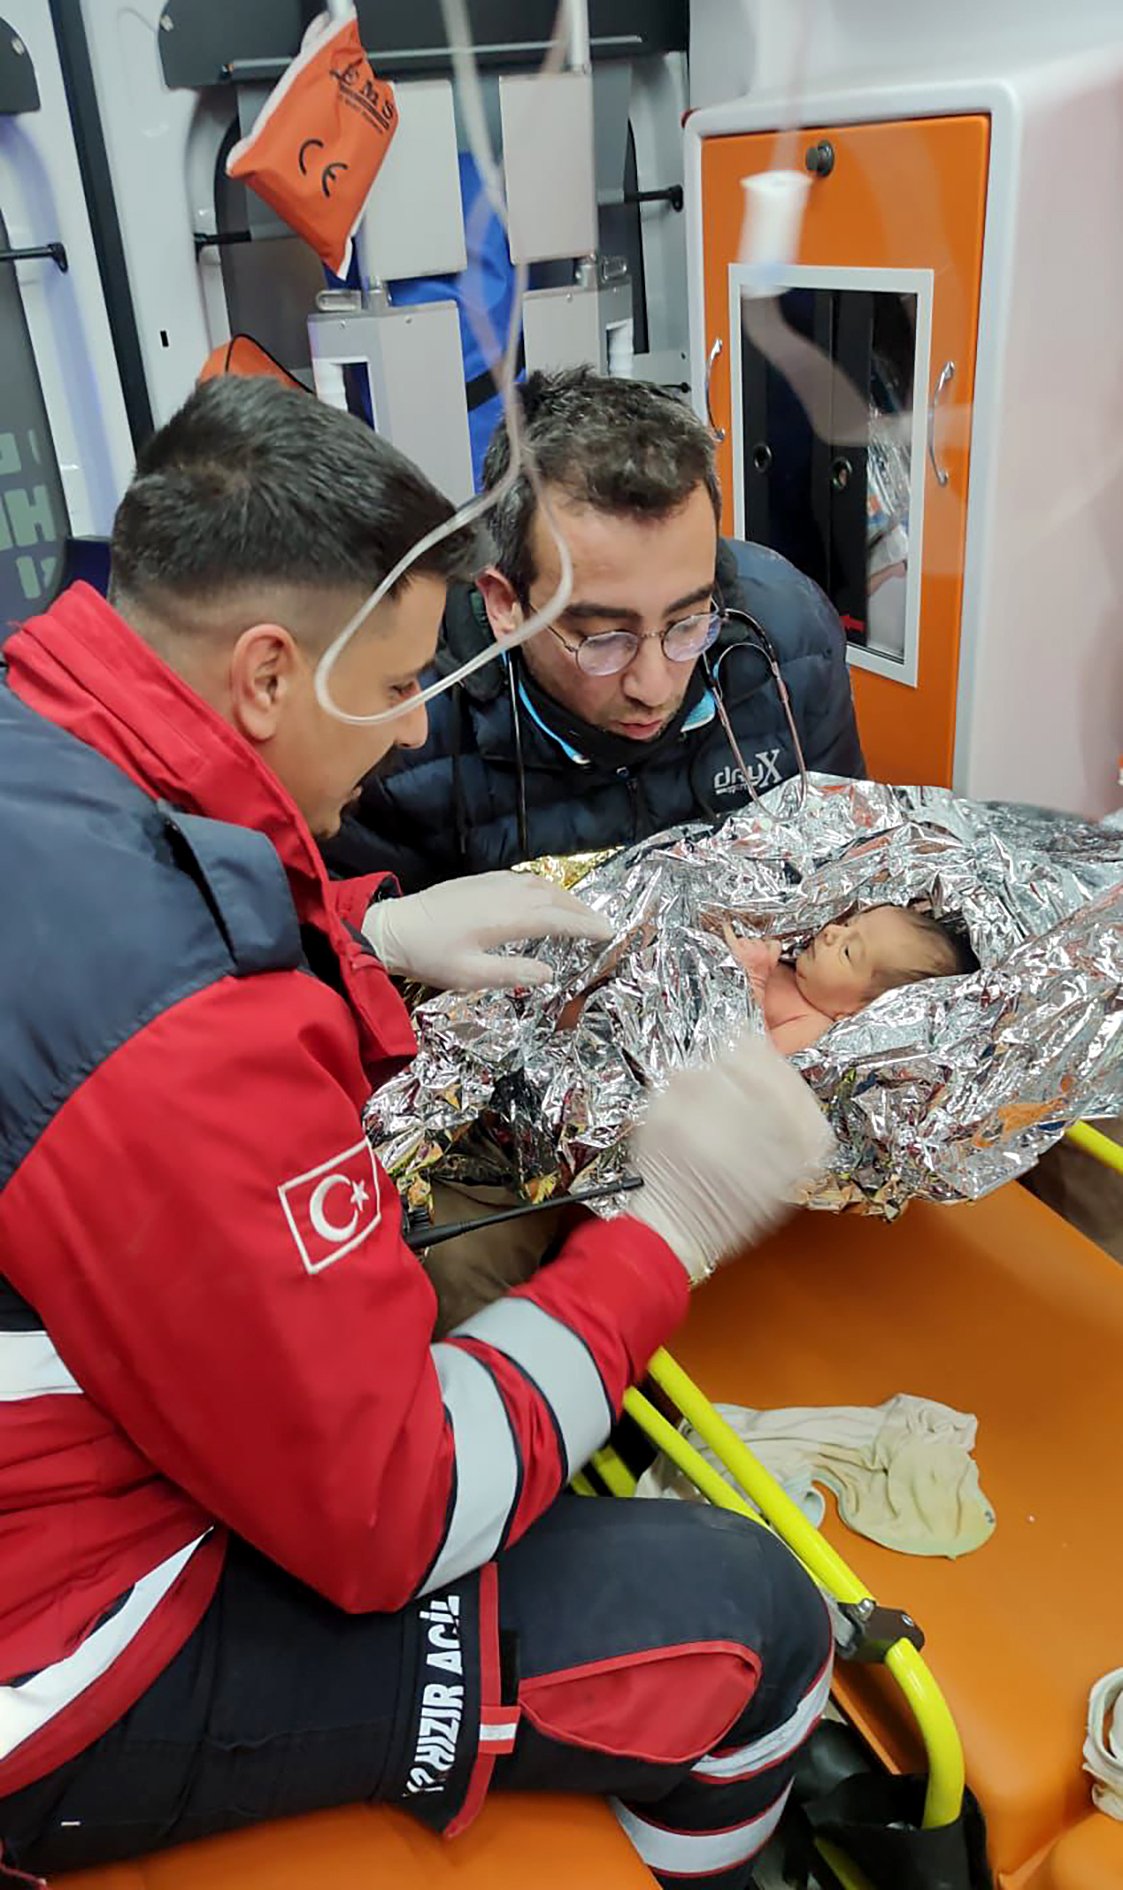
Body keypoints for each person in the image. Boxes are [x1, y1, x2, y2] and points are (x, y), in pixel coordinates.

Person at [0, 376, 837, 1887]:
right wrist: (673, 1225)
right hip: (60, 1659)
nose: (398, 742)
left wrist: (362, 928)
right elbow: (400, 1502)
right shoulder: (188, 1035)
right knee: (749, 1613)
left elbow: (137, 914)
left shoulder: (37, 728)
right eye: (389, 687)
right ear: (265, 673)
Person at [324, 367, 865, 891]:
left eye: (686, 624)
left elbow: (845, 863)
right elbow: (357, 954)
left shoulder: (792, 646)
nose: (653, 688)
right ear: (505, 604)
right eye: (605, 639)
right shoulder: (405, 727)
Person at [726, 907, 979, 1055]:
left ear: (857, 1013)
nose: (831, 932)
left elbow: (750, 1064)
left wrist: (754, 980)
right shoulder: (797, 972)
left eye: (848, 952)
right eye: (847, 924)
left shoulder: (811, 1025)